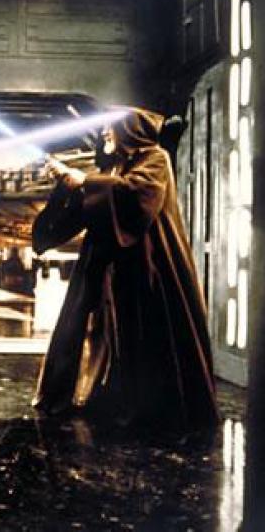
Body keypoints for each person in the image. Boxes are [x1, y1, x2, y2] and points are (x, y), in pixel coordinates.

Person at [30, 107, 219, 430]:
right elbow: (97, 202)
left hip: (143, 264)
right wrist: (68, 185)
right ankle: (101, 397)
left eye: (110, 127)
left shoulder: (156, 159)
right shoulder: (117, 165)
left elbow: (136, 196)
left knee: (139, 332)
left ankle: (142, 406)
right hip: (108, 264)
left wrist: (85, 181)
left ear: (131, 130)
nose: (105, 132)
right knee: (101, 329)